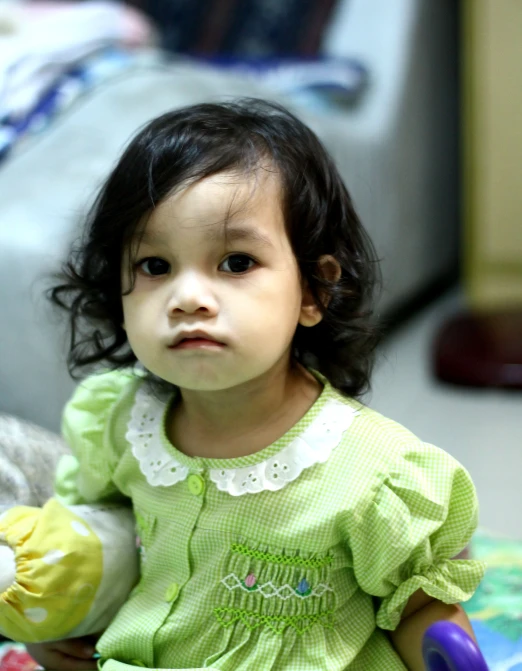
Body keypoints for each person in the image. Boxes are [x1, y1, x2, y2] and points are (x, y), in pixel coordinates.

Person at [27, 99, 484, 671]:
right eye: (154, 266)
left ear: (314, 291)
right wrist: (57, 625)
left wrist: (449, 651)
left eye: (237, 263)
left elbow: (419, 608)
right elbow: (95, 545)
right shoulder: (118, 422)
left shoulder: (373, 476)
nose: (188, 297)